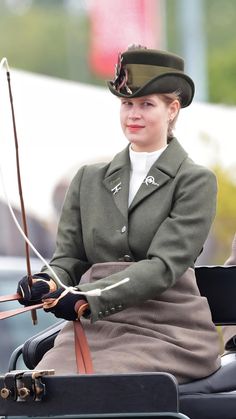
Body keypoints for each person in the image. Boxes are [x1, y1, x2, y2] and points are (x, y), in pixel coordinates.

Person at [17, 45, 221, 383]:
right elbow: (70, 257)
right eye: (127, 104)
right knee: (42, 389)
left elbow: (163, 266)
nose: (133, 115)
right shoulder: (88, 179)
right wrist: (47, 281)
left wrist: (87, 297)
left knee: (100, 390)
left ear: (172, 110)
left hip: (167, 331)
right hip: (93, 330)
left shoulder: (195, 181)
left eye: (146, 104)